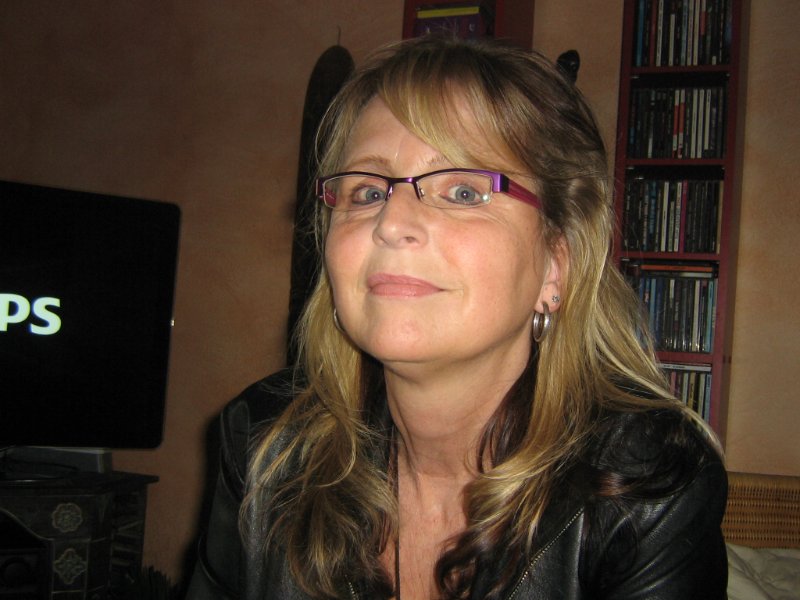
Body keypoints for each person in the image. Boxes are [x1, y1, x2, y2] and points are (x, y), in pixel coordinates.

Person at [187, 35, 728, 600]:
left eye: (464, 192)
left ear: (555, 263)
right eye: (367, 192)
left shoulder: (647, 487)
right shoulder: (263, 445)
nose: (391, 223)